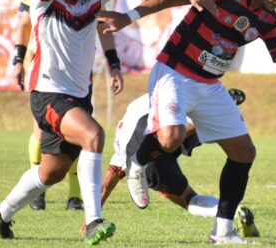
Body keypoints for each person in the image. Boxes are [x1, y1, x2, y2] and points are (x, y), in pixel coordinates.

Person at [0, 0, 217, 246]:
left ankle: (1, 213)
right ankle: (94, 221)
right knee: (94, 135)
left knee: (52, 172)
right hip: (48, 94)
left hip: (79, 95)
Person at [98, 0, 276, 245]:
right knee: (170, 136)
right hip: (174, 72)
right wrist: (128, 17)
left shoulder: (268, 21)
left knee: (244, 152)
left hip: (209, 85)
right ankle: (138, 164)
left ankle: (222, 233)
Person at [11, 0, 123, 212]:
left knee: (76, 139)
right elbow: (24, 24)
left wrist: (114, 65)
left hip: (79, 74)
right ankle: (44, 192)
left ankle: (72, 195)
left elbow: (104, 26)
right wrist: (18, 59)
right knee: (54, 130)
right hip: (44, 69)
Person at [97, 88, 260, 238]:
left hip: (149, 144)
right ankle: (208, 117)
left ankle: (234, 211)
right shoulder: (143, 100)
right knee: (189, 129)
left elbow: (105, 186)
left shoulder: (122, 144)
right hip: (169, 115)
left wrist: (92, 218)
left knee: (189, 199)